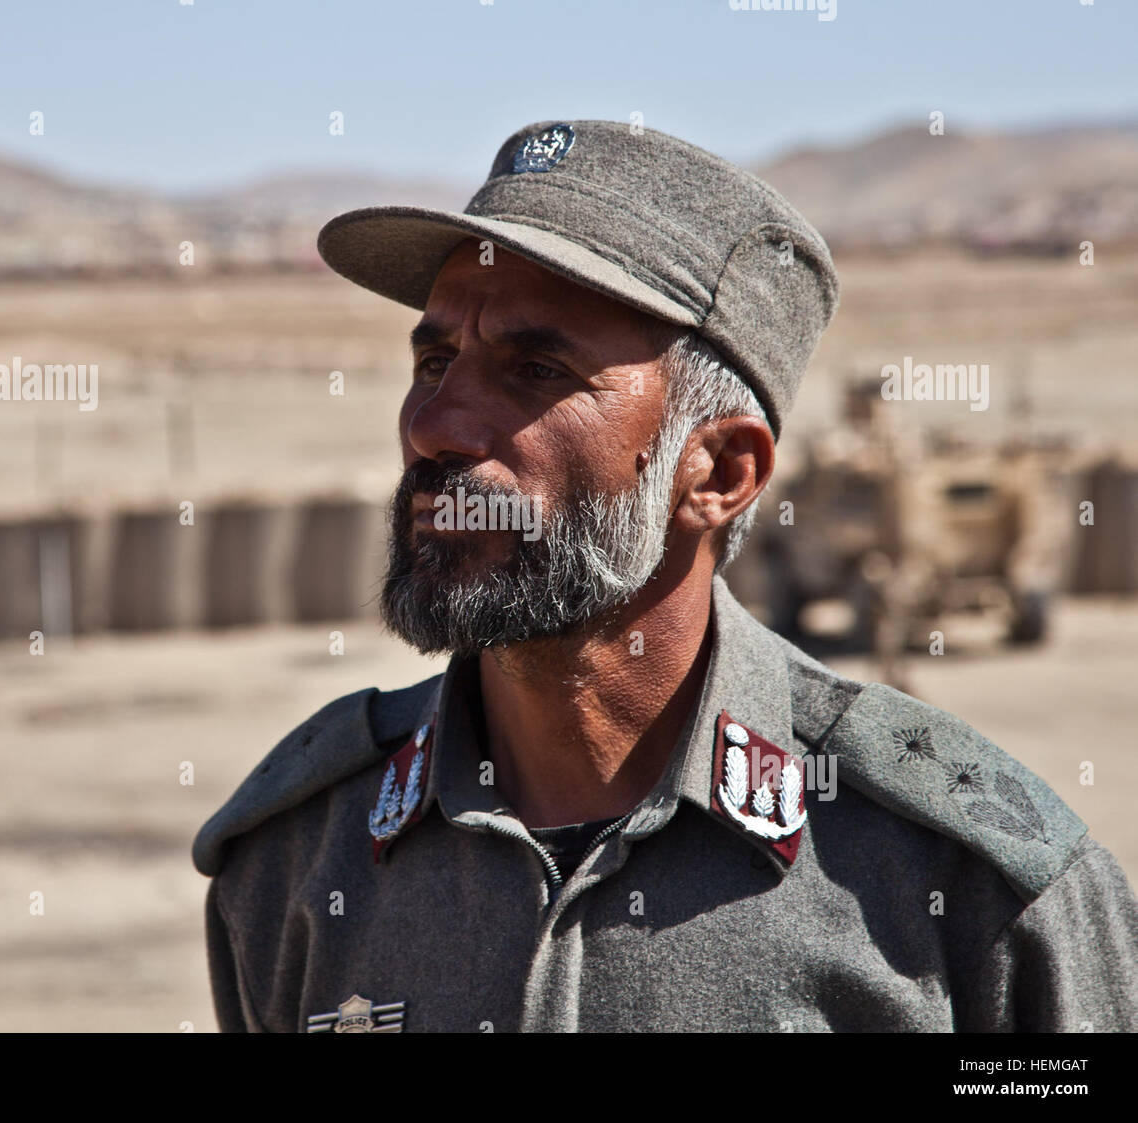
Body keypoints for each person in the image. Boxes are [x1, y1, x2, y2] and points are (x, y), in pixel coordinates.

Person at [193, 120, 1138, 1032]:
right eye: (435, 359)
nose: (436, 425)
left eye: (534, 369)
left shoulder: (958, 885)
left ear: (719, 472)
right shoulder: (299, 863)